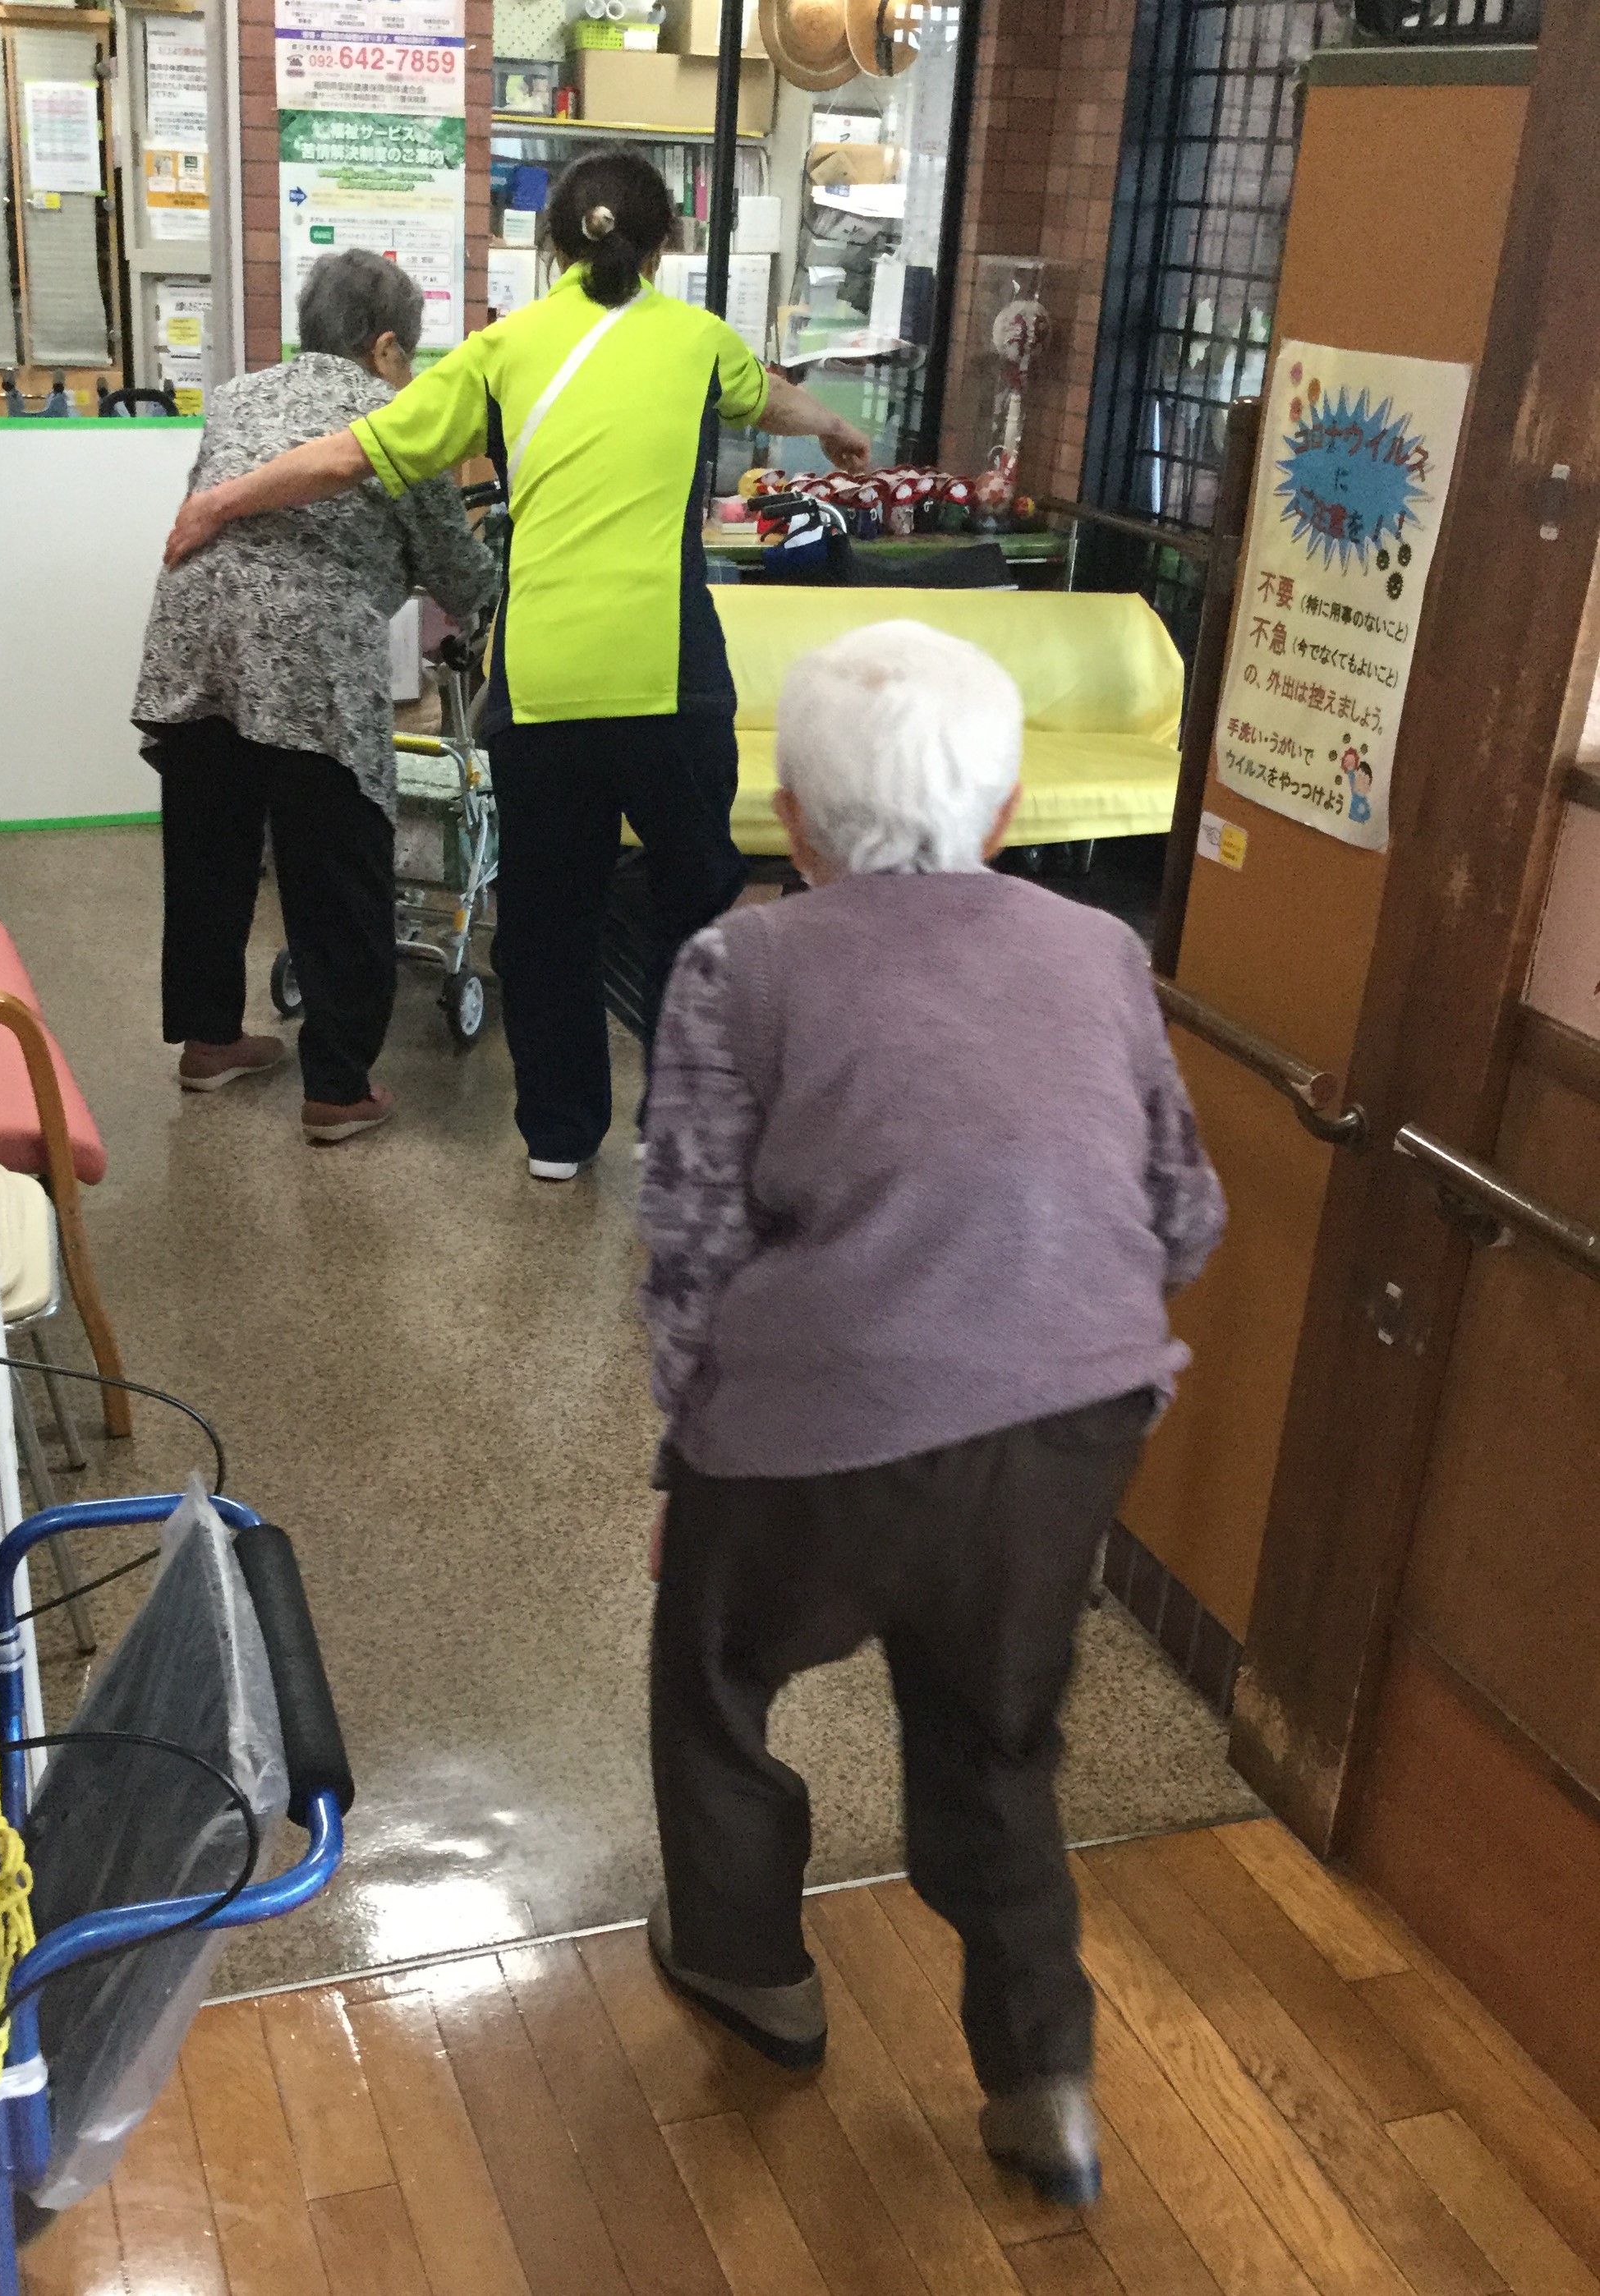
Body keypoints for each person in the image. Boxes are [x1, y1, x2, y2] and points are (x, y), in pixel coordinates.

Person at [636, 622, 1226, 2204]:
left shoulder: (736, 968)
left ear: (792, 820)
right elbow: (1183, 1213)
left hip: (811, 1434)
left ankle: (749, 1966)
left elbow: (688, 1248)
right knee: (996, 1734)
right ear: (1012, 806)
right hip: (1069, 1424)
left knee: (715, 1678)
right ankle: (1043, 2078)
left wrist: (684, 1461)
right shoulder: (1098, 952)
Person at [160, 150, 871, 1180]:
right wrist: (840, 428)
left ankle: (558, 1136)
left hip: (542, 687)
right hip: (672, 677)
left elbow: (352, 453)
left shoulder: (501, 350)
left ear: (550, 245)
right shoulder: (698, 340)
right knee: (692, 897)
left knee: (546, 915)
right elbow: (773, 403)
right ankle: (675, 1123)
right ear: (666, 243)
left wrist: (218, 500)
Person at [134, 249, 496, 1143]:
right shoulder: (396, 417)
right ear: (386, 347)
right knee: (337, 868)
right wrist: (492, 581)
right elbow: (455, 568)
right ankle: (337, 1087)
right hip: (308, 660)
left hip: (193, 640)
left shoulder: (238, 397)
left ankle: (210, 1042)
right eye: (408, 353)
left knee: (210, 849)